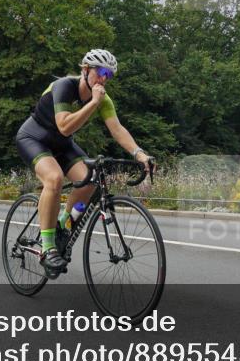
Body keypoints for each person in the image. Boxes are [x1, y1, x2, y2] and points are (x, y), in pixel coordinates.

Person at [15, 49, 152, 276]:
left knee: (89, 181)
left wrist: (139, 154)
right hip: (33, 138)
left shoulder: (103, 99)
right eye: (101, 72)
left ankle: (63, 223)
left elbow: (117, 129)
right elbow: (65, 126)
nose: (104, 79)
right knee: (54, 178)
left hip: (62, 145)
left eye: (109, 75)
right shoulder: (64, 86)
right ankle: (48, 247)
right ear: (86, 70)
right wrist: (93, 103)